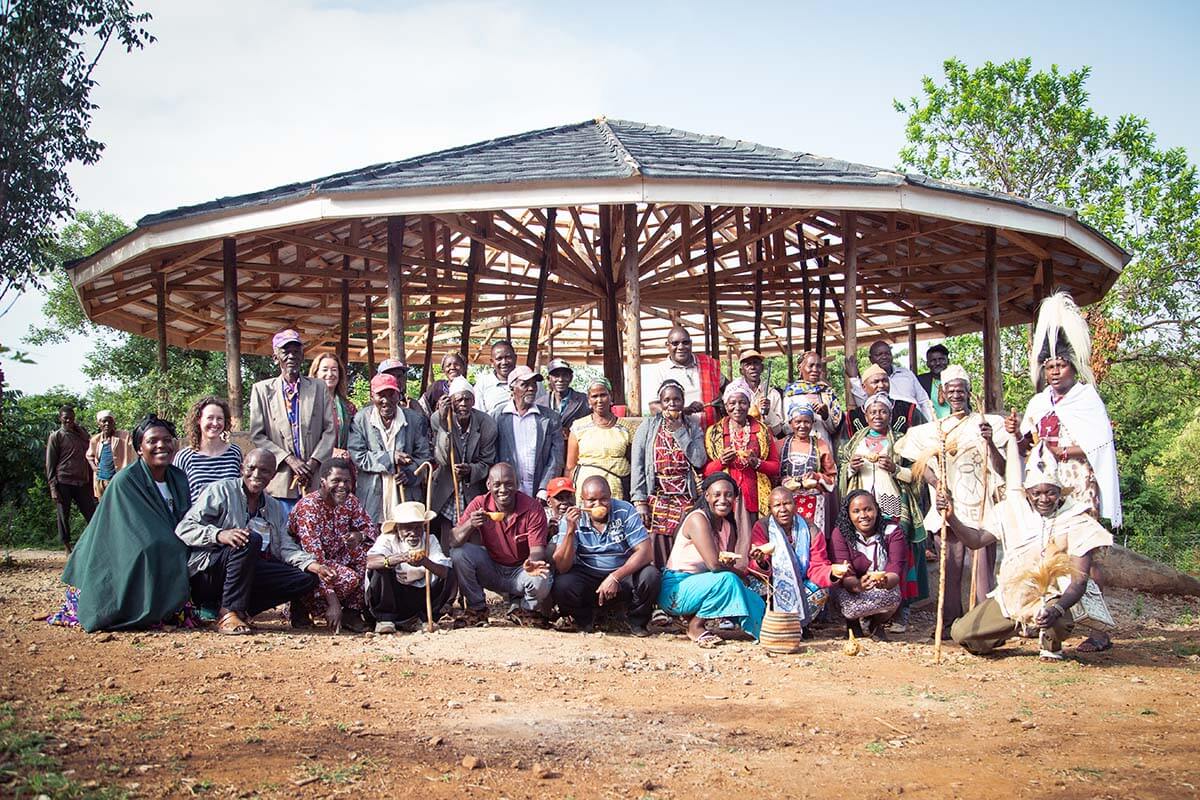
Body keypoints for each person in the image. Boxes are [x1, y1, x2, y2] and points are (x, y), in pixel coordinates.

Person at [1012, 291, 1121, 653]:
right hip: (1046, 488)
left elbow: (1101, 443)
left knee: (1085, 557)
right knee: (1048, 554)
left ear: (1073, 368)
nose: (1055, 371)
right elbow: (1028, 443)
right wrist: (1017, 435)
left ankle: (1099, 629)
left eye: (1061, 365)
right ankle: (1047, 617)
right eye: (1049, 366)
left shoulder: (1086, 398)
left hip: (1077, 484)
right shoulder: (1038, 402)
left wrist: (1065, 450)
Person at [943, 444, 1113, 660]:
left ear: (1060, 493)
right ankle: (1009, 630)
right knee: (963, 634)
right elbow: (976, 541)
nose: (1043, 499)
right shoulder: (1010, 511)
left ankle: (1052, 643)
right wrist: (952, 518)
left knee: (1055, 619)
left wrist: (1058, 609)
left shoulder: (1077, 519)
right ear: (1027, 494)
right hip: (1016, 597)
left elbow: (1079, 581)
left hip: (1056, 598)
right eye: (1037, 493)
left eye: (1050, 493)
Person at [895, 365, 1007, 636]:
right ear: (942, 395)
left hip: (981, 508)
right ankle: (948, 623)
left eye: (961, 390)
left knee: (983, 573)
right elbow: (913, 458)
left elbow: (1003, 469)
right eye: (950, 390)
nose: (956, 395)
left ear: (969, 393)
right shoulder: (933, 430)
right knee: (950, 567)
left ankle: (986, 626)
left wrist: (989, 442)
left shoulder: (987, 423)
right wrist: (936, 483)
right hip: (948, 506)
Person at [51, 415, 191, 631]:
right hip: (121, 549)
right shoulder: (126, 480)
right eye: (152, 441)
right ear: (139, 448)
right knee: (157, 548)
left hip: (164, 542)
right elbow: (132, 529)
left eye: (167, 439)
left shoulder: (178, 478)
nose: (161, 445)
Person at [175, 449, 328, 634]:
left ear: (272, 476)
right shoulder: (221, 491)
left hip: (246, 572)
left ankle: (242, 611)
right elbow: (184, 528)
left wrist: (311, 564)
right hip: (209, 572)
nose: (256, 475)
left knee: (306, 578)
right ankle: (228, 613)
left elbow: (284, 546)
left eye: (264, 471)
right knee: (249, 540)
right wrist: (219, 534)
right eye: (251, 468)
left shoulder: (273, 506)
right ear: (241, 469)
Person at [839, 392, 928, 606]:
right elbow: (841, 468)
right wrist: (851, 467)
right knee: (867, 552)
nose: (877, 415)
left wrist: (895, 469)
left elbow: (918, 473)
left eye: (882, 411)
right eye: (872, 412)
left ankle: (900, 607)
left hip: (891, 501)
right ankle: (869, 603)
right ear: (866, 416)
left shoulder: (901, 441)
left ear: (890, 414)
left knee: (896, 552)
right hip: (863, 505)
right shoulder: (856, 441)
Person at [657, 472, 765, 647]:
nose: (723, 499)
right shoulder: (698, 519)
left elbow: (724, 564)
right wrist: (739, 574)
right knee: (729, 579)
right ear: (706, 496)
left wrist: (737, 571)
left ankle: (765, 628)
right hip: (676, 589)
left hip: (704, 585)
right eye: (717, 494)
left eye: (729, 495)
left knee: (755, 599)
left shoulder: (728, 526)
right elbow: (715, 565)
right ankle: (695, 625)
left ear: (735, 498)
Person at [550, 476, 660, 636]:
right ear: (582, 500)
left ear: (611, 496)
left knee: (651, 575)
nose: (598, 505)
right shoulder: (571, 518)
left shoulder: (625, 510)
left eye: (604, 499)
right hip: (588, 576)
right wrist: (570, 531)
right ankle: (584, 620)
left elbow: (645, 552)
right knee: (562, 584)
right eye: (592, 500)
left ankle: (637, 621)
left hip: (622, 575)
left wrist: (615, 577)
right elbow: (562, 566)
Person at [449, 463, 552, 626]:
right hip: (491, 568)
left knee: (542, 578)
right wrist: (470, 524)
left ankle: (524, 610)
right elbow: (453, 541)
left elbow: (537, 549)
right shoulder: (479, 504)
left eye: (508, 483)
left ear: (517, 484)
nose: (503, 490)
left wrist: (532, 562)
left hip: (520, 571)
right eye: (497, 484)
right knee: (459, 554)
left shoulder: (533, 508)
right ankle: (477, 609)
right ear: (488, 485)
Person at [249, 329, 336, 512]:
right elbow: (258, 435)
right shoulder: (262, 390)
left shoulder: (318, 387)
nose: (291, 356)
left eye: (296, 352)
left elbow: (330, 430)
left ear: (303, 356)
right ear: (275, 357)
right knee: (282, 534)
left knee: (313, 533)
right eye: (285, 351)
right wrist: (289, 460)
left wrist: (312, 462)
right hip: (280, 481)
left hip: (314, 479)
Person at [289, 458, 377, 632]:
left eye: (346, 481)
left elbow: (371, 529)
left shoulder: (350, 501)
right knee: (349, 578)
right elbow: (315, 560)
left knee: (366, 556)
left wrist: (359, 535)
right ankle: (303, 606)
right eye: (336, 481)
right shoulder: (309, 508)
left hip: (335, 558)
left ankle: (352, 612)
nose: (342, 486)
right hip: (307, 566)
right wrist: (333, 603)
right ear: (323, 482)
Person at [631, 379, 707, 569]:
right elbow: (638, 464)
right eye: (667, 400)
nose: (672, 404)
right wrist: (639, 502)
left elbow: (699, 460)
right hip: (657, 497)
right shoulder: (648, 426)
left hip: (685, 497)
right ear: (661, 402)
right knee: (656, 545)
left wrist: (680, 431)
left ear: (683, 402)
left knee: (684, 542)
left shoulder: (692, 426)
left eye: (676, 399)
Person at [749, 486, 837, 631]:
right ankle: (769, 625)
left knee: (821, 591)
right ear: (770, 508)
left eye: (787, 503)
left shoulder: (811, 530)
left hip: (801, 584)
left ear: (795, 505)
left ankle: (798, 625)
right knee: (751, 587)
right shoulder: (762, 527)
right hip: (772, 583)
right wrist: (760, 561)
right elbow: (757, 564)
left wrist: (832, 573)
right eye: (777, 505)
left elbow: (818, 565)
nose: (782, 509)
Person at [348, 374, 432, 524]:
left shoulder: (415, 420)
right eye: (381, 395)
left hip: (405, 496)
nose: (386, 401)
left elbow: (424, 458)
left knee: (405, 538)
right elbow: (357, 455)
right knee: (371, 538)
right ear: (372, 396)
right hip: (372, 496)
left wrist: (411, 474)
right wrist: (390, 457)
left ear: (398, 395)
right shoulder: (361, 419)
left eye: (391, 394)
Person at [365, 501, 456, 634]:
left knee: (451, 572)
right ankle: (385, 619)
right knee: (380, 567)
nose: (413, 533)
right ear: (397, 529)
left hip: (419, 597)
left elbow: (444, 572)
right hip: (393, 596)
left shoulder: (429, 539)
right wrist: (398, 559)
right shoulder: (387, 539)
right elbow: (370, 562)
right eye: (407, 528)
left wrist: (425, 562)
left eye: (417, 527)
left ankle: (425, 618)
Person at [702, 384, 780, 536]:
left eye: (742, 402)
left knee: (753, 540)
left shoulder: (762, 431)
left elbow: (776, 467)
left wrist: (757, 463)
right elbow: (705, 472)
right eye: (732, 403)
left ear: (749, 404)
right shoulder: (714, 432)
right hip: (724, 500)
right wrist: (722, 461)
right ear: (725, 406)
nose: (737, 407)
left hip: (754, 498)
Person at [829, 490, 907, 640]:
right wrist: (859, 585)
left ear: (876, 510)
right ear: (849, 514)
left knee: (893, 596)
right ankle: (852, 623)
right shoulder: (840, 534)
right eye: (856, 511)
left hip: (881, 587)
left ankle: (875, 623)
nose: (863, 516)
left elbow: (895, 569)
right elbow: (845, 575)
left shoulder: (892, 531)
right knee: (846, 603)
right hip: (852, 588)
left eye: (868, 509)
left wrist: (885, 582)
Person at [430, 376, 497, 541]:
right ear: (451, 402)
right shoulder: (437, 419)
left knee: (473, 536)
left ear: (473, 401)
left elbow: (487, 462)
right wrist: (445, 426)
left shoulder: (486, 423)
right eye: (458, 400)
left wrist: (470, 470)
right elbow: (442, 459)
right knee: (446, 538)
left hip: (473, 488)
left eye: (468, 399)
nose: (463, 404)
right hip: (446, 488)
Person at [493, 365, 564, 502]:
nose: (531, 388)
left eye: (533, 384)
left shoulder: (550, 418)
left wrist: (544, 488)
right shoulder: (498, 417)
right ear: (512, 388)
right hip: (507, 493)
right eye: (525, 384)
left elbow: (556, 456)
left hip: (539, 493)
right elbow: (492, 454)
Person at [641, 325, 725, 429]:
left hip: (711, 432)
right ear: (668, 345)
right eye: (675, 343)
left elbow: (729, 389)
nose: (681, 347)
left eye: (685, 342)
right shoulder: (660, 370)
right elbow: (654, 408)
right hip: (678, 433)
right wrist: (683, 411)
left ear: (691, 343)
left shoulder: (708, 364)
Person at [566, 377, 632, 500]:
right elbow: (570, 467)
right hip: (586, 491)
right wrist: (570, 495)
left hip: (617, 490)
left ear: (611, 396)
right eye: (594, 396)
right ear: (589, 400)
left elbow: (633, 463)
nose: (599, 400)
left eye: (603, 395)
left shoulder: (626, 428)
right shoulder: (578, 427)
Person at [778, 403, 837, 537]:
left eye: (807, 422)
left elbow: (832, 477)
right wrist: (784, 480)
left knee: (813, 538)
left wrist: (816, 477)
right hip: (786, 503)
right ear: (790, 423)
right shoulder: (780, 444)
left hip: (814, 503)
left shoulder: (820, 444)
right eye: (798, 421)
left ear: (813, 423)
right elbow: (772, 474)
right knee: (788, 538)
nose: (802, 426)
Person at [174, 396, 244, 505]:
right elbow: (177, 496)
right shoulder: (184, 457)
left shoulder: (234, 453)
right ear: (198, 420)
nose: (215, 423)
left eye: (219, 418)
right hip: (197, 520)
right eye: (210, 418)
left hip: (231, 520)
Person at [45, 405, 96, 551]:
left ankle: (91, 544)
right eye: (66, 417)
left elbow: (90, 451)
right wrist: (53, 487)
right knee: (63, 516)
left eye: (71, 417)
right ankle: (67, 547)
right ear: (60, 418)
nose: (69, 420)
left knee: (91, 514)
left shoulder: (82, 434)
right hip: (63, 481)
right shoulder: (56, 436)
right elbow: (50, 463)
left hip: (82, 481)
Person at [847, 340, 935, 422]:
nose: (884, 357)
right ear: (871, 358)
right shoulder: (869, 379)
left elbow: (923, 400)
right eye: (879, 354)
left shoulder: (906, 373)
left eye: (887, 353)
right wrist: (853, 378)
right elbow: (863, 404)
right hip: (892, 423)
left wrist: (930, 423)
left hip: (916, 419)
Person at [843, 364, 925, 438]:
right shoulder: (853, 417)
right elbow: (845, 447)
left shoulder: (908, 409)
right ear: (864, 387)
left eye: (885, 381)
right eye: (876, 382)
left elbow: (924, 437)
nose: (881, 385)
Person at [783, 351, 843, 450]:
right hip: (800, 449)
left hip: (824, 447)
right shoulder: (791, 394)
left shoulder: (827, 393)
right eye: (810, 366)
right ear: (800, 368)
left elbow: (834, 429)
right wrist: (801, 418)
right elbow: (786, 428)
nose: (815, 370)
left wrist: (826, 415)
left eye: (818, 366)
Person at [726, 349, 786, 438]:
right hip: (740, 442)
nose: (752, 367)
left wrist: (769, 412)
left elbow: (778, 431)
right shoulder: (732, 392)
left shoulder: (772, 394)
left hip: (767, 443)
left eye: (756, 363)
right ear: (741, 371)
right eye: (748, 364)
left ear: (762, 368)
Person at [310, 353, 357, 460]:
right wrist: (331, 451)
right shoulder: (306, 405)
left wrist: (347, 453)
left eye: (334, 370)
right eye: (325, 369)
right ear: (315, 373)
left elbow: (357, 437)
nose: (330, 374)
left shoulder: (349, 408)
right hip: (314, 464)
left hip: (343, 465)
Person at [86, 410, 133, 500]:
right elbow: (89, 455)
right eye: (104, 421)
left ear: (114, 423)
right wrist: (93, 467)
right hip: (101, 480)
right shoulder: (95, 440)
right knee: (104, 507)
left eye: (110, 421)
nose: (107, 424)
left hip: (117, 480)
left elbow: (133, 450)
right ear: (99, 423)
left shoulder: (124, 436)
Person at [543, 358, 590, 436]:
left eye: (565, 375)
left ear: (571, 378)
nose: (561, 379)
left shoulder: (584, 400)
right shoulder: (540, 403)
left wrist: (572, 431)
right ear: (548, 379)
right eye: (556, 375)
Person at [474, 340, 520, 414]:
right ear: (492, 362)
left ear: (515, 358)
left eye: (508, 357)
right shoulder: (483, 384)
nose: (504, 362)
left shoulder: (531, 382)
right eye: (499, 359)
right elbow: (478, 416)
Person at [419, 351, 467, 416]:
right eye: (448, 365)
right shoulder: (436, 387)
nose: (452, 367)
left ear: (464, 368)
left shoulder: (469, 389)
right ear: (443, 369)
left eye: (456, 364)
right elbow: (422, 407)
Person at [917, 344, 952, 420]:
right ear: (927, 364)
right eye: (933, 360)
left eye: (941, 359)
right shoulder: (920, 381)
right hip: (930, 427)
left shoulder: (957, 380)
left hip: (956, 424)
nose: (938, 363)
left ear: (948, 361)